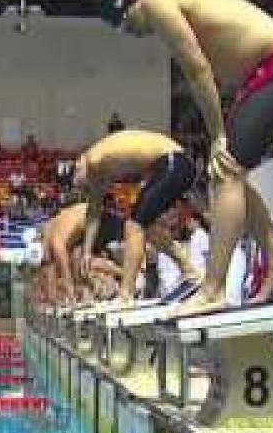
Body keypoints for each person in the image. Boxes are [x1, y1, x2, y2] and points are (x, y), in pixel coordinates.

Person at [93, 0, 273, 313]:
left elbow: (198, 71)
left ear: (125, 8)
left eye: (123, 27)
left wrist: (217, 134)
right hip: (270, 72)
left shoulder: (155, 1)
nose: (132, 35)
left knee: (225, 172)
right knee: (230, 172)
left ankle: (212, 290)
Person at [72, 129, 203, 304]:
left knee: (133, 225)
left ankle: (126, 294)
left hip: (174, 163)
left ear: (79, 163)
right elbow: (94, 211)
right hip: (175, 165)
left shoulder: (94, 159)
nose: (87, 189)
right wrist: (86, 252)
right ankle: (190, 271)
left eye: (84, 186)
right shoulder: (99, 165)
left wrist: (87, 252)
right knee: (145, 226)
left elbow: (93, 205)